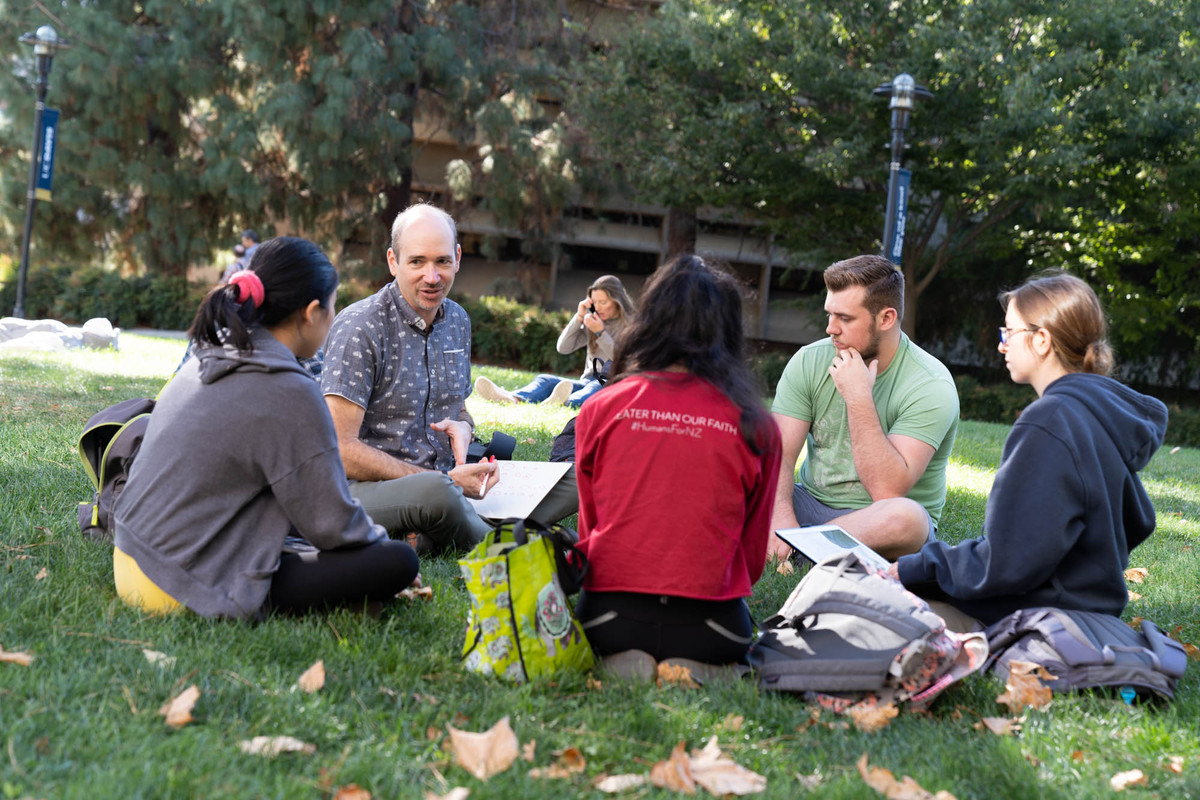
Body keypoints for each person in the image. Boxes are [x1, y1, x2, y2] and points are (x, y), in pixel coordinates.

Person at [112, 237, 419, 620]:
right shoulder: (288, 387)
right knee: (398, 560)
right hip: (178, 585)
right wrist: (376, 544)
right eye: (333, 306)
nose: (333, 318)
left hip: (130, 555)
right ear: (311, 313)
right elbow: (332, 524)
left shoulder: (214, 352)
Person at [891, 273, 1168, 630]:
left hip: (1037, 620)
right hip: (1089, 615)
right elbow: (1139, 519)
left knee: (867, 607)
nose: (1002, 345)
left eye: (1009, 332)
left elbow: (1007, 563)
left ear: (1041, 340)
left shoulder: (1051, 420)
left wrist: (913, 568)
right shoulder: (1094, 414)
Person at [321, 202, 577, 551]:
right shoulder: (360, 326)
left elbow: (458, 409)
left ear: (457, 258)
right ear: (393, 261)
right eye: (417, 262)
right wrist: (446, 481)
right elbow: (341, 449)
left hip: (450, 481)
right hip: (371, 488)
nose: (432, 277)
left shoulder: (457, 320)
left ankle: (436, 531)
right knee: (438, 494)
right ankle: (510, 543)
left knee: (578, 477)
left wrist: (464, 427)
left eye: (442, 261)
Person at [573, 255, 782, 669]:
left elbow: (589, 527)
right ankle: (695, 666)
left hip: (607, 619)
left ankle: (624, 660)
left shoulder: (601, 407)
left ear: (648, 321)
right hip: (715, 628)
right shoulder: (757, 425)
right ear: (729, 330)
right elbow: (752, 557)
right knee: (730, 634)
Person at [768, 255, 959, 561]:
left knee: (908, 518)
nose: (830, 328)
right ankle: (804, 545)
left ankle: (803, 547)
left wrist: (858, 397)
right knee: (737, 472)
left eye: (845, 318)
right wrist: (781, 519)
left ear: (886, 319)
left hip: (878, 521)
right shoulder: (808, 360)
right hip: (809, 502)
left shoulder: (931, 385)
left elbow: (886, 491)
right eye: (830, 315)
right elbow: (778, 455)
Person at [473, 275, 636, 408]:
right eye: (595, 302)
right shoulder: (593, 321)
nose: (598, 308)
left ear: (617, 301)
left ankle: (563, 402)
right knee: (545, 380)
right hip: (586, 381)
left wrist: (601, 332)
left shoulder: (632, 325)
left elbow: (623, 359)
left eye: (603, 302)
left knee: (594, 387)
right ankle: (513, 398)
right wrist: (578, 317)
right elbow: (563, 347)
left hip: (610, 384)